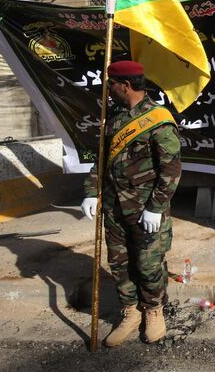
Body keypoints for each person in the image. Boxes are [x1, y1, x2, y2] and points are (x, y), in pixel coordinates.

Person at [80, 60, 181, 347]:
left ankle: (153, 311)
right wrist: (91, 191)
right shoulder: (112, 116)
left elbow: (171, 170)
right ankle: (130, 312)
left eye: (110, 84)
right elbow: (100, 159)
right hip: (113, 207)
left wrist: (156, 207)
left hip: (144, 207)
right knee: (119, 262)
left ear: (124, 86)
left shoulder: (158, 119)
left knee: (148, 264)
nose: (107, 89)